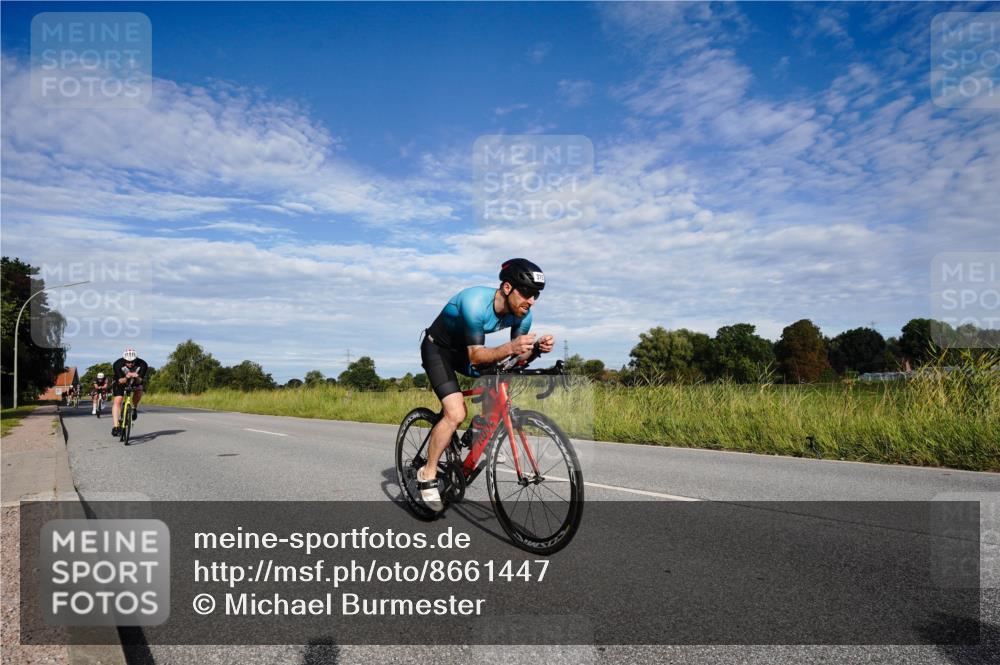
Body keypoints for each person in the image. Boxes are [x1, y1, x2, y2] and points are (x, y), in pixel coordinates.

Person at [417, 258, 554, 511]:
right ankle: (427, 473)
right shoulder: (475, 303)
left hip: (468, 350)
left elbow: (515, 359)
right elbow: (476, 357)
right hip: (439, 349)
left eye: (535, 295)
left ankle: (479, 430)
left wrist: (535, 351)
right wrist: (511, 347)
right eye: (526, 293)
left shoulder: (523, 315)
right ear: (506, 288)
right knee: (455, 412)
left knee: (500, 377)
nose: (531, 301)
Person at [111, 347, 148, 436]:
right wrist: (127, 377)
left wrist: (136, 377)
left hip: (135, 381)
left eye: (132, 362)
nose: (130, 364)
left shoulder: (143, 364)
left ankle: (134, 407)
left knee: (139, 390)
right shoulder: (118, 363)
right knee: (118, 400)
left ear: (136, 359)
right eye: (128, 362)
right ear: (124, 360)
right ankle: (116, 427)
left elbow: (140, 381)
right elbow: (120, 380)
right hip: (121, 381)